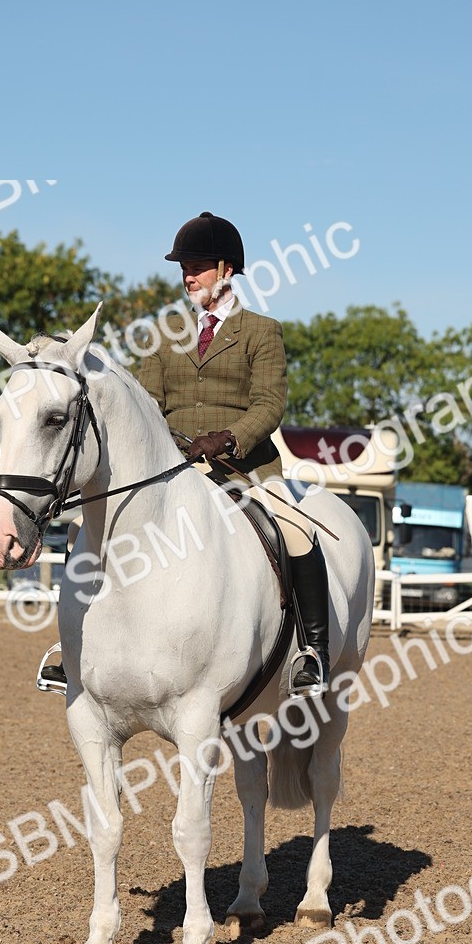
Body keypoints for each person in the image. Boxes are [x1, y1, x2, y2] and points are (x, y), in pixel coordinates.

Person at [40, 212, 330, 697]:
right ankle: (73, 648)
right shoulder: (165, 332)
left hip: (245, 470)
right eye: (184, 269)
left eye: (197, 267)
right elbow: (146, 402)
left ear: (227, 270)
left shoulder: (262, 331)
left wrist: (228, 438)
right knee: (82, 529)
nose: (188, 277)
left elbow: (269, 404)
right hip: (171, 469)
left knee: (296, 530)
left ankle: (312, 652)